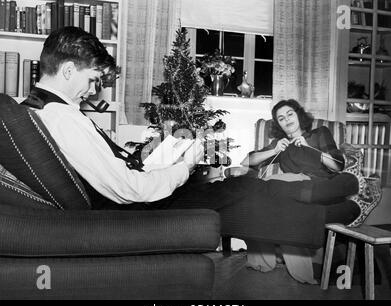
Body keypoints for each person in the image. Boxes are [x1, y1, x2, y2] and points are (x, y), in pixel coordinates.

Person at [24, 27, 370, 278]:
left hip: (133, 188)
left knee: (228, 177)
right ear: (68, 70)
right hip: (134, 203)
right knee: (241, 186)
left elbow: (112, 167)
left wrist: (157, 154)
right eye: (91, 79)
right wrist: (186, 164)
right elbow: (131, 190)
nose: (92, 89)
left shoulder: (52, 111)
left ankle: (331, 205)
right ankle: (334, 210)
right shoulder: (60, 117)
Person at [239, 99, 382, 282]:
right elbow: (246, 161)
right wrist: (272, 150)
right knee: (263, 200)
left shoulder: (319, 134)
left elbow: (338, 166)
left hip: (319, 189)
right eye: (281, 118)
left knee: (272, 186)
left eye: (290, 114)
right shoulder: (280, 145)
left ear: (299, 115)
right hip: (291, 192)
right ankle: (263, 263)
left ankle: (303, 272)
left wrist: (310, 147)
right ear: (279, 125)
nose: (286, 119)